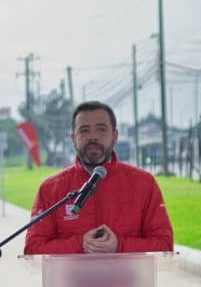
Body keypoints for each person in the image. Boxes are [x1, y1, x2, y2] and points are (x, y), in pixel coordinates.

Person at [24, 100, 173, 255]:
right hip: (72, 280)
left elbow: (164, 244)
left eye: (101, 130)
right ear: (73, 139)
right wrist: (80, 243)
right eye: (84, 130)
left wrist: (119, 245)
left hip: (127, 279)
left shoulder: (144, 184)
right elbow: (33, 249)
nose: (93, 137)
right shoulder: (50, 189)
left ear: (115, 136)